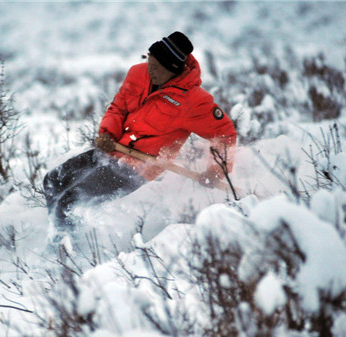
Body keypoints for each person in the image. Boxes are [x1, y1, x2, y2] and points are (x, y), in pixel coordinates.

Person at [43, 31, 237, 237]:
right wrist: (108, 134)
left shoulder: (193, 101)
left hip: (139, 166)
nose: (149, 70)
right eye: (149, 61)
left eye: (155, 67)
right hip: (112, 149)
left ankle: (64, 251)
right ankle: (59, 230)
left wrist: (216, 170)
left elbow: (224, 134)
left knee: (72, 200)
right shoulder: (138, 73)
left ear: (172, 69)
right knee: (53, 181)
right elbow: (118, 107)